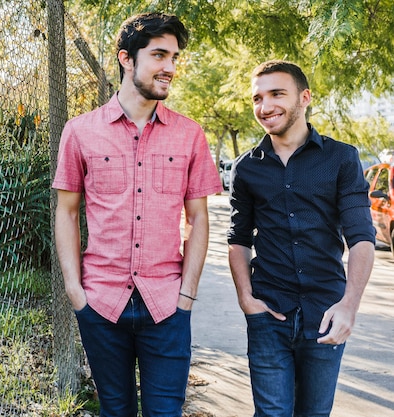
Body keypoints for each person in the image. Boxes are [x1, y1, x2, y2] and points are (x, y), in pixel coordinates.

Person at [52, 12, 222, 417]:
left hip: (167, 305)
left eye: (176, 57)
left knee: (166, 412)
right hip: (100, 302)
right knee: (116, 411)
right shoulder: (80, 131)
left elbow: (199, 218)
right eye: (160, 55)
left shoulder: (190, 134)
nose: (171, 68)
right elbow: (66, 212)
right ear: (126, 59)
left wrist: (187, 295)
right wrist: (76, 292)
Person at [227, 60, 375, 417]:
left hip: (325, 314)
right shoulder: (246, 167)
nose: (265, 106)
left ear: (304, 97)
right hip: (269, 314)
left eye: (277, 94)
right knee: (271, 413)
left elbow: (362, 238)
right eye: (257, 98)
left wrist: (349, 306)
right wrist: (247, 299)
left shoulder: (341, 158)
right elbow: (239, 239)